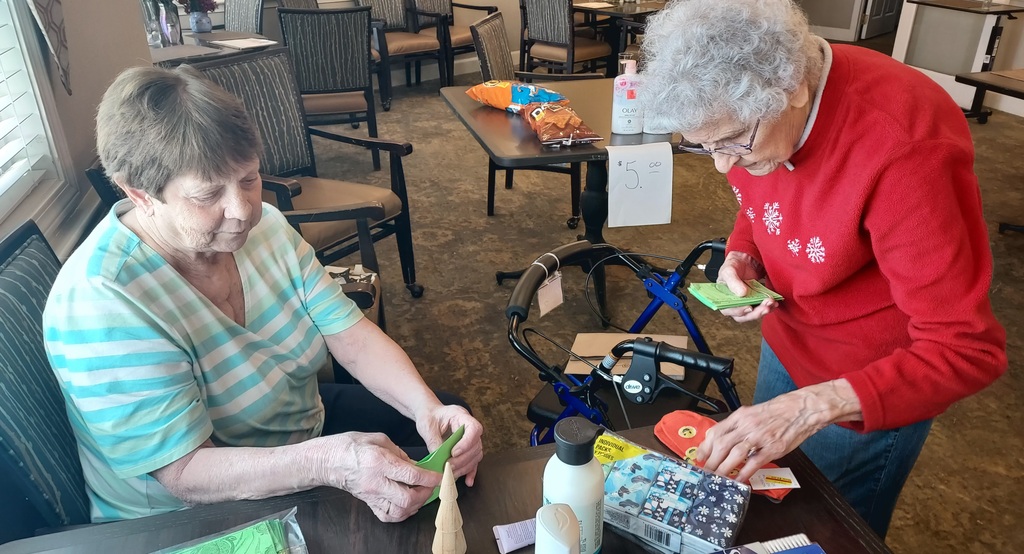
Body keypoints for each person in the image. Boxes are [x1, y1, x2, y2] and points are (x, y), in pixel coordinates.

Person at [42, 65, 483, 524]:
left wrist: (427, 408)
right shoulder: (101, 301)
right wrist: (328, 463)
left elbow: (350, 337)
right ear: (141, 196)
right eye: (208, 194)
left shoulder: (267, 228)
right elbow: (184, 474)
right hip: (187, 512)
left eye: (249, 179)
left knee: (447, 430)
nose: (242, 211)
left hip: (293, 429)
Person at [640, 0, 1007, 538]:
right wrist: (744, 253)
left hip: (868, 380)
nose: (722, 165)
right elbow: (760, 196)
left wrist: (813, 406)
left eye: (733, 142)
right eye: (704, 148)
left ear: (794, 89)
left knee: (826, 533)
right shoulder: (757, 116)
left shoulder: (907, 147)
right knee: (775, 514)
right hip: (790, 340)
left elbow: (966, 349)